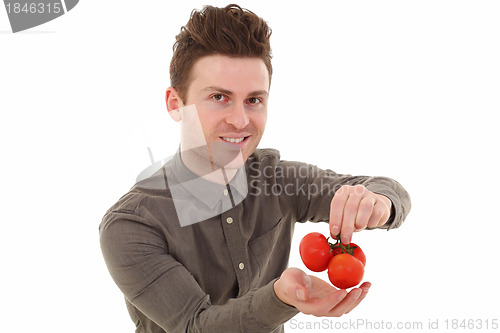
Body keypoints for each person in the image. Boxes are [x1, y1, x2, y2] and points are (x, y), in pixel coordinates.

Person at [99, 4, 411, 333]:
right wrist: (280, 298)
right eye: (219, 97)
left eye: (254, 100)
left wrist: (379, 203)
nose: (240, 121)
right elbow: (195, 326)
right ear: (176, 104)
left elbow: (385, 187)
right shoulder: (131, 224)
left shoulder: (278, 179)